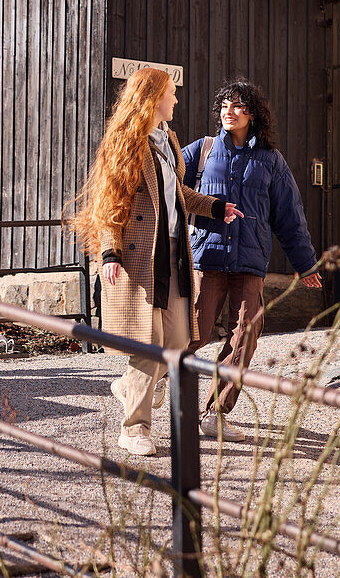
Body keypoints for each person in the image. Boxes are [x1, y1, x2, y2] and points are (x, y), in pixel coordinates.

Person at [70, 68, 240, 456]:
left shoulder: (167, 140)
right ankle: (134, 430)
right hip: (140, 255)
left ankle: (130, 386)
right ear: (152, 98)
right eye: (171, 93)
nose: (176, 100)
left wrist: (214, 207)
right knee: (149, 346)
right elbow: (110, 201)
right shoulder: (127, 142)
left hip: (176, 253)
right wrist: (110, 253)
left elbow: (176, 193)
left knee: (179, 342)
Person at [183, 78, 322, 441]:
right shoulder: (202, 150)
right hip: (207, 255)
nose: (229, 111)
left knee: (245, 335)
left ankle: (216, 412)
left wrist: (304, 263)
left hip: (249, 262)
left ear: (253, 114)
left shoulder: (271, 161)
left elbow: (289, 214)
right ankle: (151, 378)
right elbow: (165, 184)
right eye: (225, 105)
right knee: (192, 331)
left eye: (238, 105)